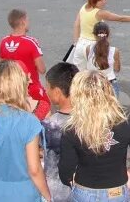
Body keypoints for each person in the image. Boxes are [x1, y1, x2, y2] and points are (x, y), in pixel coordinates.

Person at [58, 71, 130, 202]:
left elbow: (65, 171)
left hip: (84, 191)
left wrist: (72, 181)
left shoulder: (72, 128)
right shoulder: (126, 119)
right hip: (116, 191)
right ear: (108, 90)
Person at [0, 60, 51, 201]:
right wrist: (48, 196)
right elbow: (34, 170)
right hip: (24, 193)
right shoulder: (29, 121)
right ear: (19, 85)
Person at [71, 0, 130, 71]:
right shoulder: (100, 13)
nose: (104, 2)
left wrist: (76, 42)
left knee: (78, 74)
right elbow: (120, 18)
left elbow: (76, 25)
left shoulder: (84, 7)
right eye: (101, 0)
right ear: (95, 0)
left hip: (80, 45)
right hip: (94, 46)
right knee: (96, 75)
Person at [42, 62, 79, 202]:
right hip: (84, 188)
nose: (46, 91)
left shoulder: (50, 125)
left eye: (48, 87)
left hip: (57, 191)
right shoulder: (90, 120)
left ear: (57, 92)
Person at [0, 9, 49, 103]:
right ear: (23, 22)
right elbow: (42, 69)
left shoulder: (3, 42)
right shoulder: (31, 42)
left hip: (11, 89)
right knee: (45, 108)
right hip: (30, 89)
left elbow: (1, 67)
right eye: (27, 20)